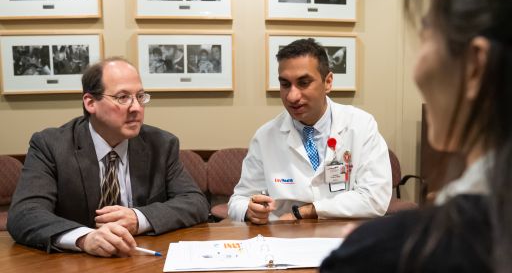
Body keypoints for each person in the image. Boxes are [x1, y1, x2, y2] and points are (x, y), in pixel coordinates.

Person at [284, 0, 512, 273]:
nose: (416, 67)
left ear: (475, 66)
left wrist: (368, 255)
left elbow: (374, 197)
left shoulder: (397, 259)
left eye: (424, 35)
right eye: (285, 84)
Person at [7, 57, 210, 257]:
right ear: (90, 102)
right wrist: (84, 238)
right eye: (122, 97)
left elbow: (195, 202)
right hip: (72, 270)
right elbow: (24, 214)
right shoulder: (51, 146)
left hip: (142, 262)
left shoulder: (161, 144)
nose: (136, 107)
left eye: (140, 96)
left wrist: (139, 218)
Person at [228, 38, 392, 224]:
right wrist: (250, 210)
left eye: (304, 83)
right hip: (286, 240)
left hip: (345, 236)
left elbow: (375, 198)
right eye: (285, 84)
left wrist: (307, 211)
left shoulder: (361, 125)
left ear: (328, 82)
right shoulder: (266, 136)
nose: (292, 96)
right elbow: (238, 201)